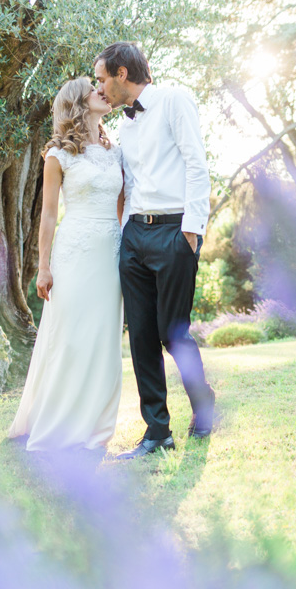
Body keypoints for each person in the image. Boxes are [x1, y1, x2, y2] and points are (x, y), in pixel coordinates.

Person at [93, 42, 217, 460]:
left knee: (173, 332)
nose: (100, 87)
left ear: (122, 74)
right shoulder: (123, 125)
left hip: (174, 232)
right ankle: (157, 430)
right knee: (142, 336)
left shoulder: (174, 99)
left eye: (101, 78)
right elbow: (125, 181)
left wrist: (192, 230)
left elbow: (197, 165)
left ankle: (203, 404)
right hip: (135, 237)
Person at [7, 77, 125, 452]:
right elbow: (48, 216)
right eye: (94, 89)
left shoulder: (114, 152)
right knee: (70, 337)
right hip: (74, 253)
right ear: (76, 103)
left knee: (103, 339)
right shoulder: (58, 154)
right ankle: (57, 420)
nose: (102, 92)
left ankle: (97, 426)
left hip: (111, 253)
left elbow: (123, 207)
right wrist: (44, 266)